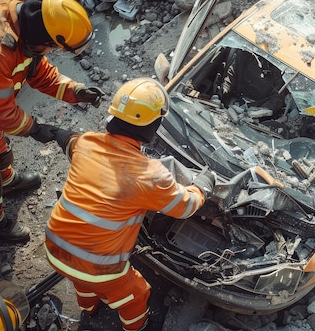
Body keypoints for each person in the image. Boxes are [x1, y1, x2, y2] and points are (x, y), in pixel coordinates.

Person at [44, 77, 216, 331]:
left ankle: (89, 309)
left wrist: (48, 131)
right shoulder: (150, 176)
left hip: (54, 249)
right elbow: (186, 206)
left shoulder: (86, 143)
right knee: (135, 294)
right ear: (152, 126)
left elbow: (69, 140)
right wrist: (203, 185)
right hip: (98, 268)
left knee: (82, 282)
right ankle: (136, 327)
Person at [0, 0, 105, 243]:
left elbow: (35, 69)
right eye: (53, 47)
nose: (52, 52)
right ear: (45, 39)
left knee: (0, 153)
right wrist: (36, 129)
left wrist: (74, 91)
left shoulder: (23, 20)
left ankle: (8, 182)